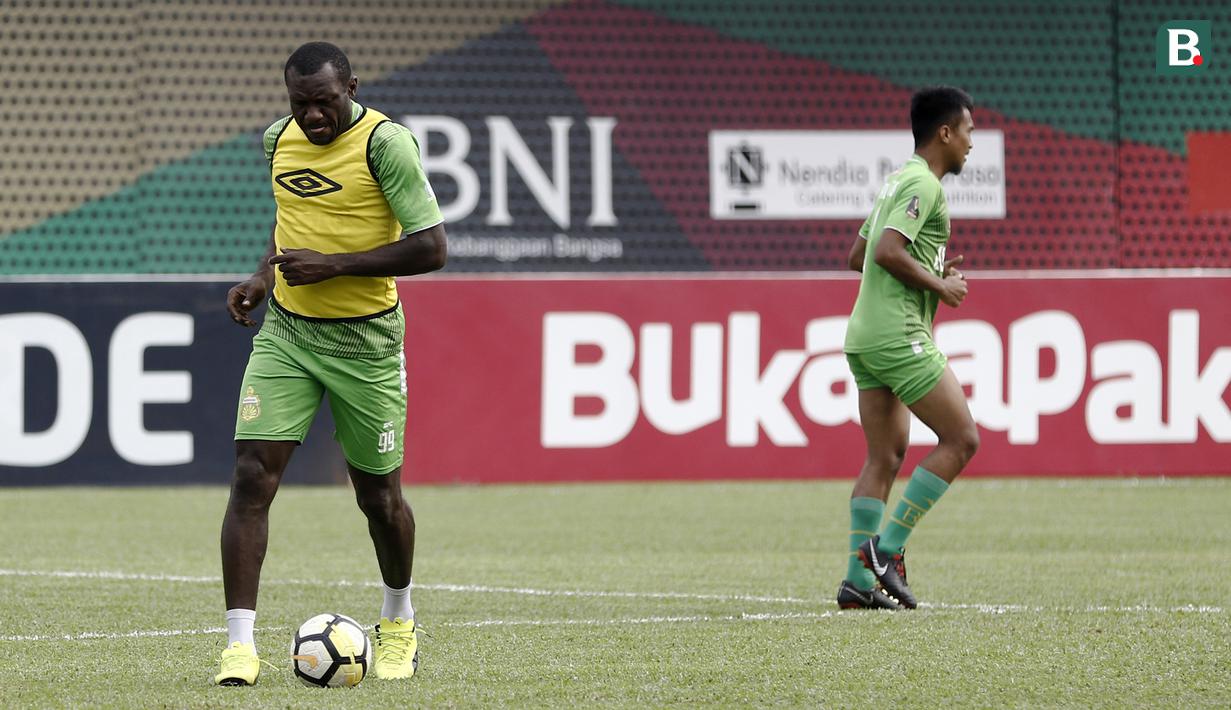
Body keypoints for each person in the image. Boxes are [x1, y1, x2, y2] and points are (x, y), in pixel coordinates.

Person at [215, 41, 446, 685]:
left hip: (367, 344)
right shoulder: (275, 141)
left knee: (378, 497)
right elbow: (290, 220)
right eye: (300, 104)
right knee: (251, 478)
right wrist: (264, 276)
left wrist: (336, 265)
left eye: (324, 102)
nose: (312, 117)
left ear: (352, 86)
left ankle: (398, 621)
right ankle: (239, 645)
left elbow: (431, 249)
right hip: (288, 334)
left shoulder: (386, 145)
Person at [837, 86, 978, 611]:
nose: (970, 144)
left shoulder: (897, 180)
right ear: (944, 132)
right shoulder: (926, 185)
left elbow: (859, 254)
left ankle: (857, 581)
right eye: (967, 132)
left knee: (884, 455)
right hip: (898, 335)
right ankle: (886, 550)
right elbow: (889, 251)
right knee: (961, 438)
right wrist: (941, 286)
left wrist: (930, 269)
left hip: (863, 336)